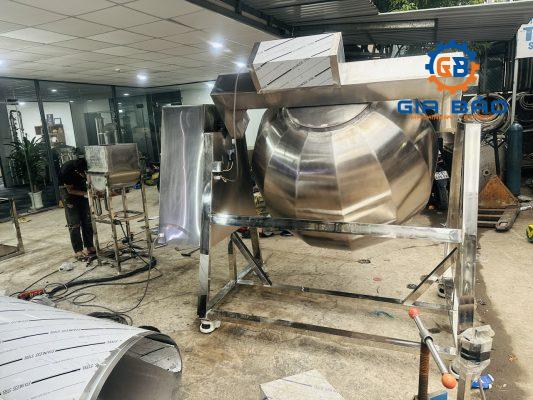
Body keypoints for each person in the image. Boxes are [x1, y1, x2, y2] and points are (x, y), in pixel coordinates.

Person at [58, 158, 95, 260]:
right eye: (82, 173)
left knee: (87, 219)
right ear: (77, 171)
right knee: (74, 222)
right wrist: (87, 194)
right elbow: (70, 191)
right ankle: (78, 250)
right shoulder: (66, 171)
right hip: (68, 191)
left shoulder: (86, 165)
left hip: (81, 186)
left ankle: (89, 246)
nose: (84, 174)